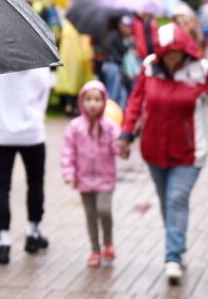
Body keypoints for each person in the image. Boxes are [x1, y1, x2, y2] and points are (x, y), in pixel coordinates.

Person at [118, 23, 208, 285]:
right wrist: (126, 133)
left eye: (176, 52)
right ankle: (177, 246)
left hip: (190, 152)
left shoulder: (201, 71)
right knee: (167, 202)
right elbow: (136, 101)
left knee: (176, 199)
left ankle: (172, 257)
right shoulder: (148, 67)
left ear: (185, 51)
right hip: (154, 150)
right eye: (166, 53)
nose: (171, 57)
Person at [0, 68, 51, 265]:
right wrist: (34, 119)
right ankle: (32, 232)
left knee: (1, 187)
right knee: (35, 183)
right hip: (32, 135)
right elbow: (44, 98)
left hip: (1, 134)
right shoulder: (40, 65)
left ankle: (3, 241)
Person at [61, 80, 120, 267]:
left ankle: (108, 241)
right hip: (83, 179)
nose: (93, 104)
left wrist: (123, 148)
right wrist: (69, 172)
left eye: (97, 99)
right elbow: (67, 151)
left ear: (104, 102)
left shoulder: (110, 127)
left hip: (105, 178)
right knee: (91, 215)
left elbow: (117, 147)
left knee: (104, 210)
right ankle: (95, 250)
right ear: (81, 101)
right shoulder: (75, 127)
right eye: (88, 99)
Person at [101, 15, 136, 109]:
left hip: (115, 66)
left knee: (121, 94)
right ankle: (109, 114)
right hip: (113, 66)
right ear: (120, 25)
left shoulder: (115, 35)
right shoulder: (115, 35)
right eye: (126, 26)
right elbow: (120, 51)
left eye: (129, 26)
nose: (128, 29)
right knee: (113, 93)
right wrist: (130, 44)